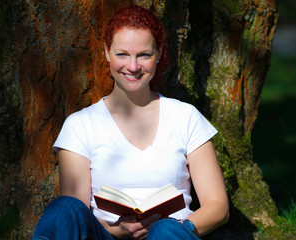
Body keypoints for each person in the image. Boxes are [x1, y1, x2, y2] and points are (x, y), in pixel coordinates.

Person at [32, 5, 229, 240]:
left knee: (164, 230)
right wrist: (117, 229)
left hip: (170, 235)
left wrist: (180, 227)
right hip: (105, 236)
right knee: (63, 208)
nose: (133, 66)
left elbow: (218, 206)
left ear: (159, 53)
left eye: (144, 55)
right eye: (122, 54)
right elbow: (74, 216)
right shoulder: (80, 125)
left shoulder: (185, 117)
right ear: (106, 52)